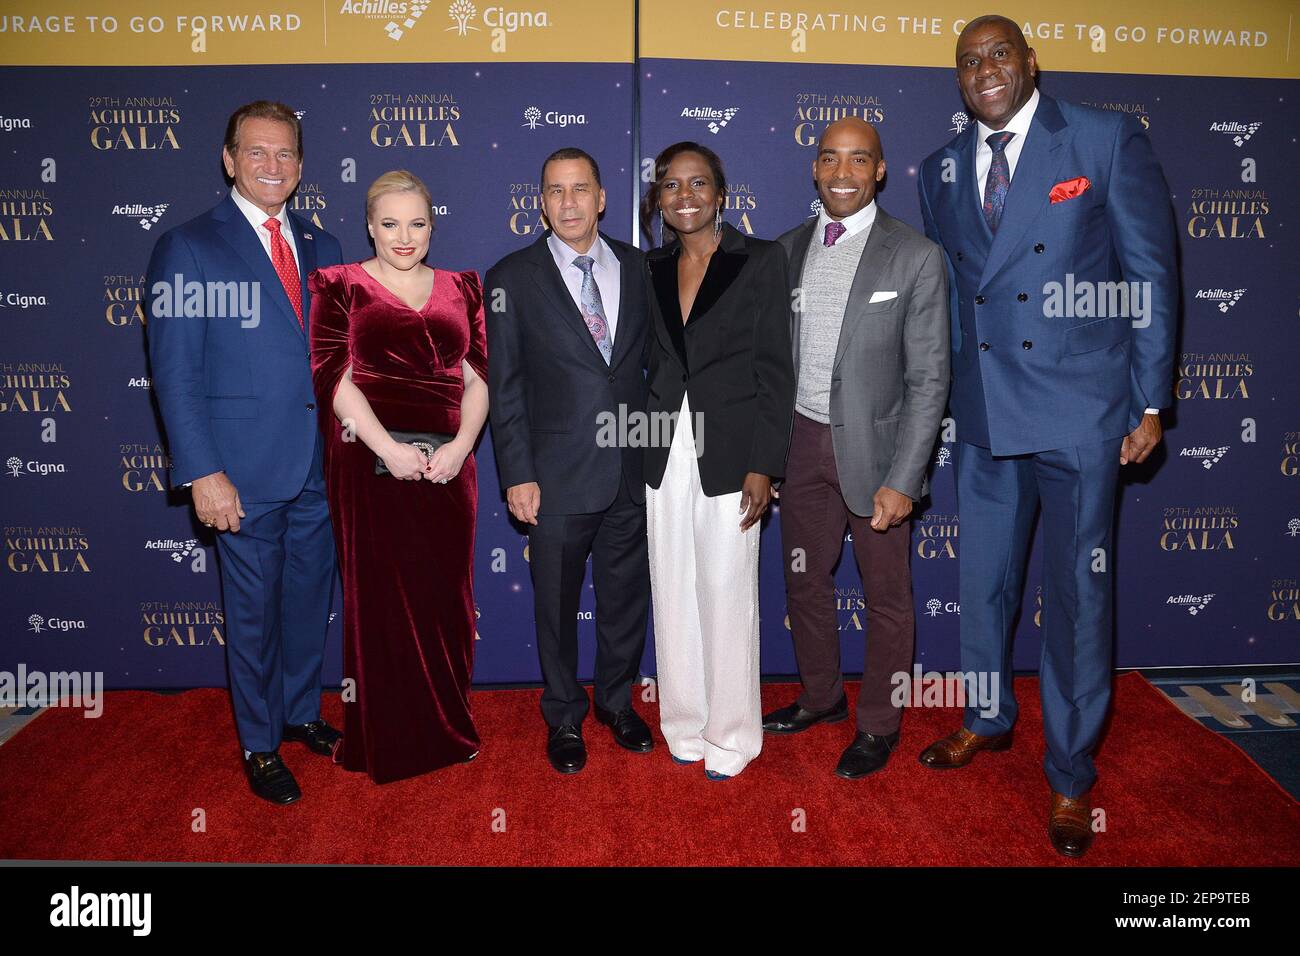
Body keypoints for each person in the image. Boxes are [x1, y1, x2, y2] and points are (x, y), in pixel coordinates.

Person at [917, 15, 1177, 857]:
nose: (984, 70)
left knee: (1075, 598)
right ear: (957, 80)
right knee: (984, 586)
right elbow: (961, 300)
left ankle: (1069, 774)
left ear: (1032, 62)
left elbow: (1148, 272)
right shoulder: (941, 168)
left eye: (999, 54)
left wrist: (1149, 400)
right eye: (968, 62)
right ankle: (987, 717)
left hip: (1081, 413)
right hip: (988, 417)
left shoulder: (1103, 140)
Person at [145, 100, 344, 805]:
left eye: (285, 153)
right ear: (228, 159)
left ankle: (299, 714)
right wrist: (202, 470)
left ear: (300, 165)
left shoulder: (322, 245)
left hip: (320, 467)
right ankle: (260, 745)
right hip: (240, 471)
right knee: (254, 613)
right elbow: (175, 372)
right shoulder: (188, 247)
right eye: (256, 152)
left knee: (305, 601)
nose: (272, 165)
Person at [764, 118, 950, 779]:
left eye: (858, 160)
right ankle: (821, 697)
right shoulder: (785, 250)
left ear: (879, 171)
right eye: (829, 159)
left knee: (887, 597)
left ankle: (878, 724)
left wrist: (906, 478)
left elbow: (930, 379)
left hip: (878, 454)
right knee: (804, 581)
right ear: (814, 169)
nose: (842, 172)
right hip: (799, 443)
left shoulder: (916, 256)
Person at [308, 170, 488, 783]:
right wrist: (391, 447)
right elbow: (334, 378)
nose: (403, 237)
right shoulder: (339, 286)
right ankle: (385, 736)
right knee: (382, 602)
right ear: (369, 225)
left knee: (445, 601)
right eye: (389, 224)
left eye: (416, 223)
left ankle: (447, 727)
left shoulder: (463, 286)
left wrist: (462, 446)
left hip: (450, 467)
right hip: (369, 462)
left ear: (432, 225)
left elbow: (476, 377)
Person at [485, 148, 653, 774]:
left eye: (580, 188)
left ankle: (616, 702)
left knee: (624, 599)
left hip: (631, 471)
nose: (569, 202)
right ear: (541, 202)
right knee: (554, 606)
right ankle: (563, 716)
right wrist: (518, 473)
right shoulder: (510, 276)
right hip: (552, 476)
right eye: (555, 191)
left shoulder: (640, 268)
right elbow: (505, 386)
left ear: (602, 197)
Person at [641, 141, 795, 780]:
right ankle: (684, 722)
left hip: (733, 449)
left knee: (727, 589)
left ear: (721, 194)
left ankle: (732, 734)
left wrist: (765, 462)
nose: (685, 196)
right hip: (661, 446)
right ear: (658, 199)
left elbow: (775, 369)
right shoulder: (650, 267)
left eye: (698, 183)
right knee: (671, 584)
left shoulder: (760, 260)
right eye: (672, 186)